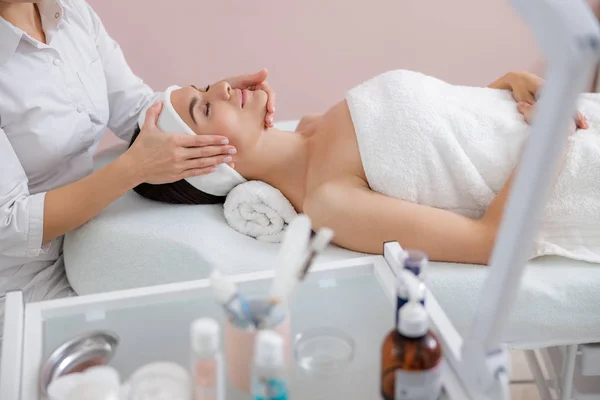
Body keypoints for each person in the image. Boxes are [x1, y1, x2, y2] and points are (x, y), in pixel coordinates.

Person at [129, 69, 600, 265]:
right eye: (205, 109)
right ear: (210, 164)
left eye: (208, 86)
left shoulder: (319, 123)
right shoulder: (330, 202)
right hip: (576, 167)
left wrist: (506, 84)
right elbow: (492, 243)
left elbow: (443, 137)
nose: (225, 88)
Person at [0, 0, 276, 330]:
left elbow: (138, 110)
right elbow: (9, 223)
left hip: (89, 238)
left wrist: (212, 103)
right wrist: (133, 169)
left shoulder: (71, 14)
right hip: (24, 278)